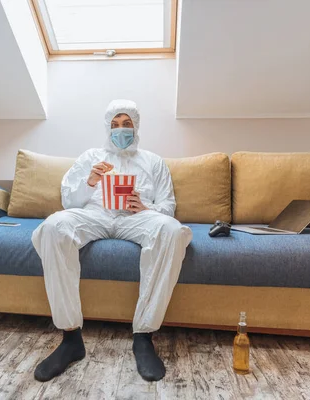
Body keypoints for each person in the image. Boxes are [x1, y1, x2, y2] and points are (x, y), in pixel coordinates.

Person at [31, 99, 193, 382]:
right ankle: (71, 339)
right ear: (107, 127)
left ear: (136, 126)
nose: (121, 130)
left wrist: (146, 207)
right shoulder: (90, 157)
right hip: (95, 215)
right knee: (54, 226)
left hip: (136, 219)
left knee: (171, 230)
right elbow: (69, 201)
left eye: (126, 124)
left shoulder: (154, 162)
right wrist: (91, 181)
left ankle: (143, 336)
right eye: (115, 125)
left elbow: (167, 207)